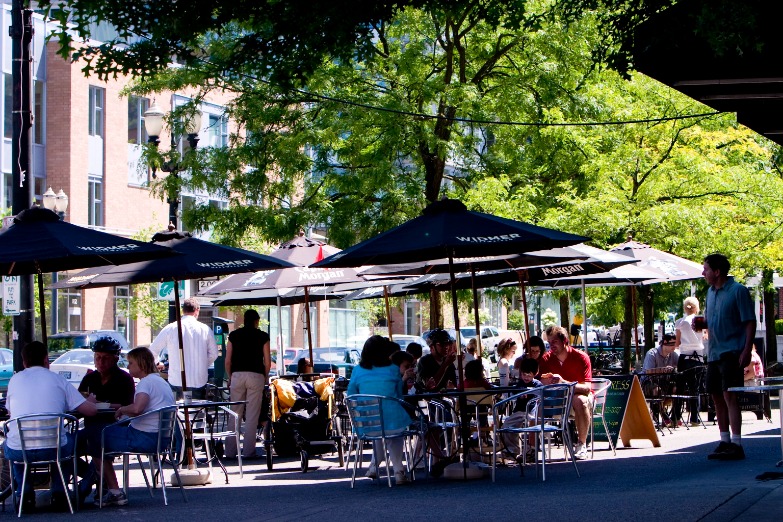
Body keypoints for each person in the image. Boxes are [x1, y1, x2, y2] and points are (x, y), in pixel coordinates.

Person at [3, 341, 98, 512]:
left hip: (21, 449)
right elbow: (89, 411)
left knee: (11, 445)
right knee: (66, 443)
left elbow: (11, 413)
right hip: (53, 449)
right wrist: (90, 401)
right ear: (47, 360)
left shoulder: (15, 380)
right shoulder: (58, 379)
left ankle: (24, 493)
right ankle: (59, 491)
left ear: (24, 362)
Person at [98, 347, 175, 507]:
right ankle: (103, 482)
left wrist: (122, 409)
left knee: (98, 438)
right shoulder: (161, 381)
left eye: (131, 363)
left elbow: (137, 409)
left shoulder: (146, 383)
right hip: (161, 439)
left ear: (141, 364)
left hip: (144, 438)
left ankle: (112, 490)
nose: (128, 367)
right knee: (108, 435)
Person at [700, 253, 756, 461]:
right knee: (715, 395)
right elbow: (711, 320)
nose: (703, 273)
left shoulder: (738, 291)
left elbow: (749, 321)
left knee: (729, 395)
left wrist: (747, 349)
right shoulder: (710, 292)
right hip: (713, 352)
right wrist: (703, 324)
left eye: (706, 269)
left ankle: (737, 443)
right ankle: (724, 440)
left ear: (717, 271)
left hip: (731, 351)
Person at [76, 336, 136, 503]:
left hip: (115, 425)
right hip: (90, 425)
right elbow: (79, 400)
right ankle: (94, 474)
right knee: (67, 445)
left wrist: (105, 404)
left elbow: (130, 405)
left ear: (116, 359)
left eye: (105, 358)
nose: (100, 362)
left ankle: (86, 486)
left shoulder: (124, 378)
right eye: (97, 357)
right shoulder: (89, 378)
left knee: (96, 438)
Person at [347, 335, 412, 485]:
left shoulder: (357, 371)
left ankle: (375, 467)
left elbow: (351, 395)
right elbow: (399, 396)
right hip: (392, 422)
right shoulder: (394, 369)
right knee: (393, 430)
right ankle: (398, 470)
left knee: (380, 425)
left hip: (366, 425)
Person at [538, 325, 593, 460]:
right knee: (536, 404)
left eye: (555, 342)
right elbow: (540, 383)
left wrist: (564, 383)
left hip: (579, 396)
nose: (551, 345)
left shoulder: (581, 357)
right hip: (557, 398)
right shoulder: (546, 359)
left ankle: (581, 444)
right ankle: (532, 447)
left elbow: (587, 388)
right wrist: (545, 382)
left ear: (565, 341)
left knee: (579, 400)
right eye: (549, 342)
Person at [223, 309, 270, 460]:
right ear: (256, 321)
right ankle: (248, 451)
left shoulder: (234, 335)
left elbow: (228, 360)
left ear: (244, 320)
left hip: (237, 375)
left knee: (234, 413)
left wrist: (230, 376)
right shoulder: (263, 336)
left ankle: (230, 451)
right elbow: (267, 362)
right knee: (252, 415)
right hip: (256, 375)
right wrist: (266, 376)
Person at [150, 297, 218, 400]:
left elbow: (152, 350)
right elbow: (214, 354)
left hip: (176, 379)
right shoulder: (205, 329)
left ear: (183, 310)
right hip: (198, 380)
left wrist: (158, 363)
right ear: (197, 310)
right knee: (196, 413)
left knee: (177, 413)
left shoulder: (170, 328)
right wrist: (202, 364)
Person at [675, 296, 706, 425]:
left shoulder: (680, 322)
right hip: (697, 357)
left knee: (680, 388)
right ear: (696, 307)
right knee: (695, 388)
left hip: (684, 356)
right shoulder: (700, 321)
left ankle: (676, 417)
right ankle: (694, 418)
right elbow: (704, 337)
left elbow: (677, 342)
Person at [642, 333, 680, 427]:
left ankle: (675, 416)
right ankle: (663, 416)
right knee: (657, 390)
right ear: (664, 343)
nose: (674, 347)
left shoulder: (673, 355)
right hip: (649, 382)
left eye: (675, 344)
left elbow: (680, 368)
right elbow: (648, 372)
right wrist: (663, 370)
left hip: (664, 383)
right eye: (671, 344)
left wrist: (674, 369)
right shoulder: (652, 353)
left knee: (678, 388)